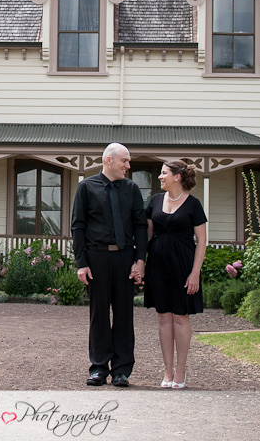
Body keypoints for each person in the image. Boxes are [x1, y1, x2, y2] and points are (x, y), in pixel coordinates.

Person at [71, 143, 148, 387]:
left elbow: (140, 226)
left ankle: (122, 371)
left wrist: (140, 260)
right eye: (124, 161)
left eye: (128, 161)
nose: (128, 165)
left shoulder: (132, 189)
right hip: (97, 258)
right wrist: (82, 263)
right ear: (108, 160)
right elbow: (78, 226)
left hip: (125, 258)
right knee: (99, 315)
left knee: (125, 315)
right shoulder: (86, 187)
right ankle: (99, 368)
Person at [143, 161, 207, 389]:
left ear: (177, 177)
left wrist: (195, 273)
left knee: (180, 316)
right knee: (163, 317)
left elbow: (201, 242)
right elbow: (147, 235)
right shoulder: (155, 202)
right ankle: (167, 371)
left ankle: (181, 372)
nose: (160, 177)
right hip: (158, 268)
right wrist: (139, 262)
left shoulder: (193, 205)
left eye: (163, 173)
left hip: (183, 268)